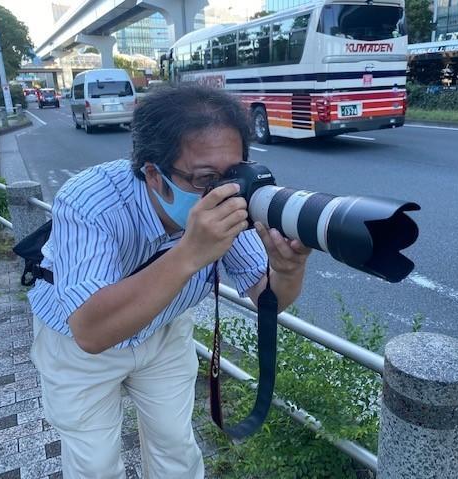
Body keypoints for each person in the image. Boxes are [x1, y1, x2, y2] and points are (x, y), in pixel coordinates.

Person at [28, 84, 311, 478]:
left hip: (163, 331)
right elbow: (91, 333)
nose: (224, 191)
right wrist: (190, 251)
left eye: (234, 174)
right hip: (74, 345)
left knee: (175, 448)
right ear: (153, 174)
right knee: (94, 462)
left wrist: (287, 270)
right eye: (205, 178)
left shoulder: (227, 200)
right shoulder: (90, 200)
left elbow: (268, 298)